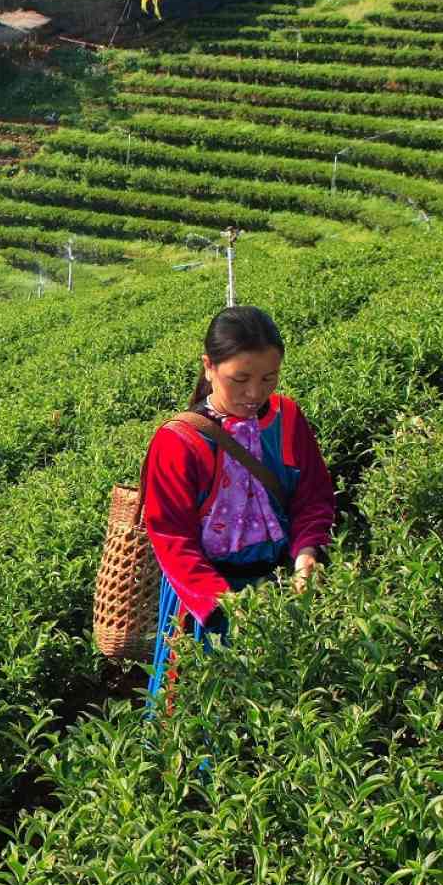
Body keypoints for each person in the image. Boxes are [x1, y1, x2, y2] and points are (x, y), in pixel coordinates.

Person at [141, 305, 337, 714]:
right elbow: (171, 538)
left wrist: (306, 553)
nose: (254, 394)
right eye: (240, 379)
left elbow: (313, 495)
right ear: (209, 367)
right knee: (201, 714)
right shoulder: (178, 441)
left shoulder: (287, 418)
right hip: (202, 603)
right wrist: (225, 607)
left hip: (277, 586)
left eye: (269, 378)